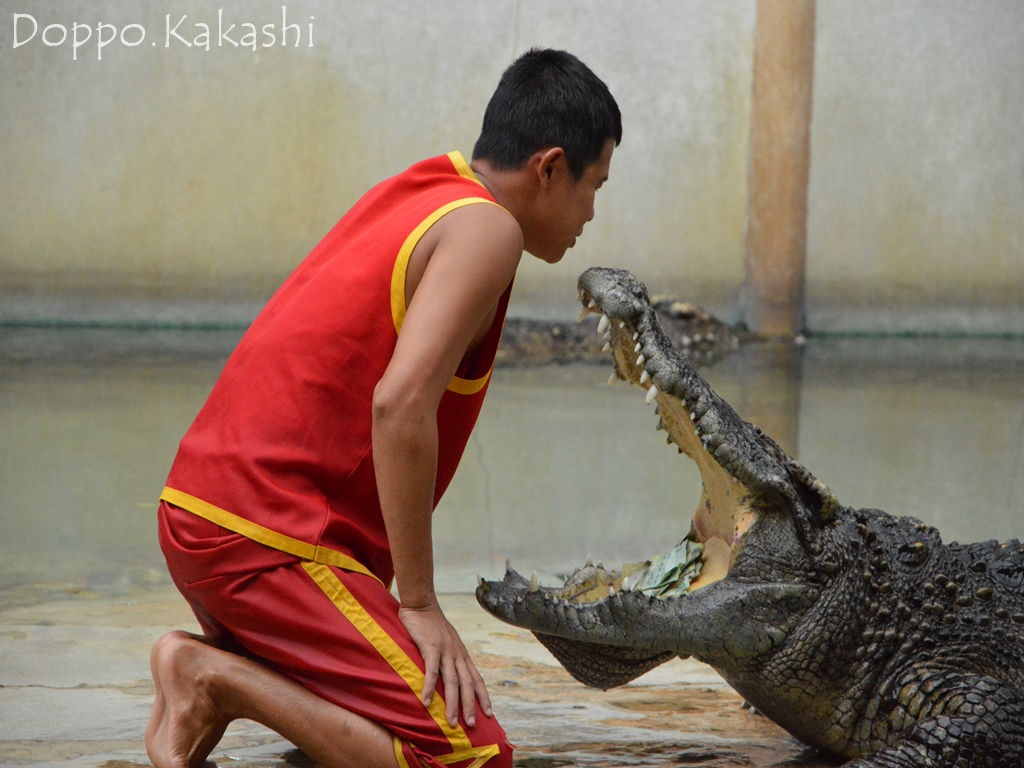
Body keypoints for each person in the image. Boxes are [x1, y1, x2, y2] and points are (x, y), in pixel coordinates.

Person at [145, 47, 621, 768]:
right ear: (550, 167)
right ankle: (212, 679)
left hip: (207, 517)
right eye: (595, 187)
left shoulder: (429, 186)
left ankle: (229, 671)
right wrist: (422, 605)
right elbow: (399, 405)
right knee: (470, 757)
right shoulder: (490, 230)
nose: (592, 213)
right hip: (265, 540)